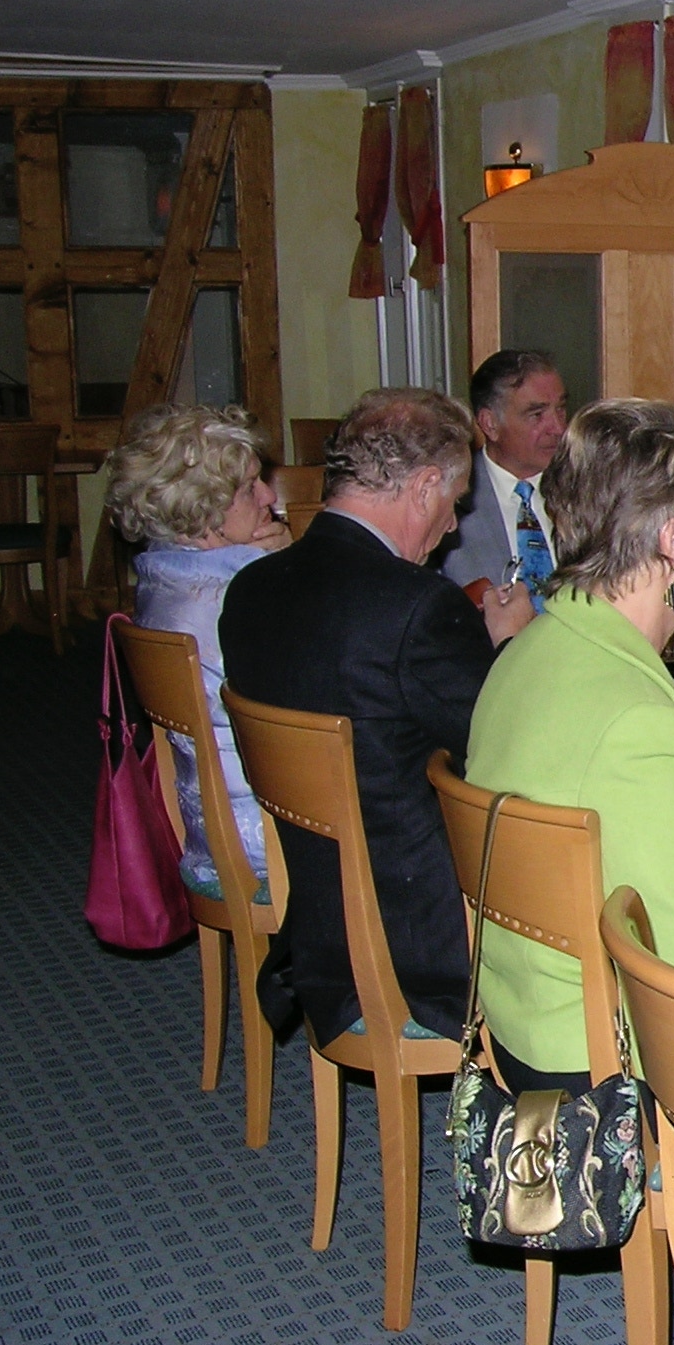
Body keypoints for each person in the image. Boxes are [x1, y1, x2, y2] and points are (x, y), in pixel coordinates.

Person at [222, 387, 534, 1043]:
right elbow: (510, 749)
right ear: (423, 488)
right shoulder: (415, 607)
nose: (452, 528)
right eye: (453, 505)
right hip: (422, 947)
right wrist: (510, 646)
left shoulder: (252, 588)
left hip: (319, 923)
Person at [463, 399, 674, 1090]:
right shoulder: (635, 728)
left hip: (529, 1019)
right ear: (673, 541)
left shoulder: (535, 651)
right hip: (613, 1066)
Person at [106, 403, 290, 892]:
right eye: (249, 487)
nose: (270, 495)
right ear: (202, 510)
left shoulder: (162, 574)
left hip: (209, 830)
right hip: (270, 841)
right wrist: (286, 569)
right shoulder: (241, 597)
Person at [439, 349, 569, 603]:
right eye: (537, 415)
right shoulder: (449, 501)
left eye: (561, 409)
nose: (559, 428)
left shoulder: (590, 490)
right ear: (490, 424)